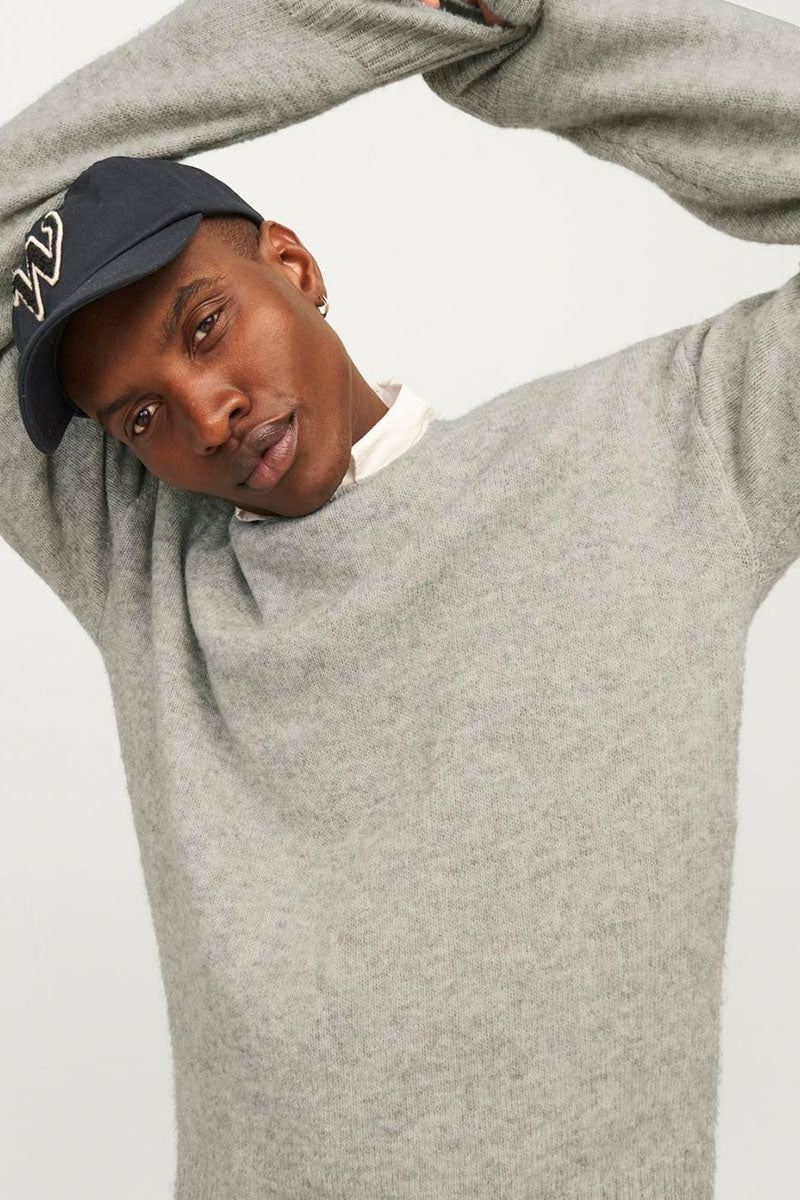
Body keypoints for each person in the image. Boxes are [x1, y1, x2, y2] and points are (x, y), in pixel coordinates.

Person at [2, 0, 799, 1196]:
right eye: (141, 417)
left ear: (294, 267)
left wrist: (530, 34)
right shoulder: (151, 577)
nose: (203, 413)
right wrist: (347, 24)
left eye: (206, 326)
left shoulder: (668, 448)